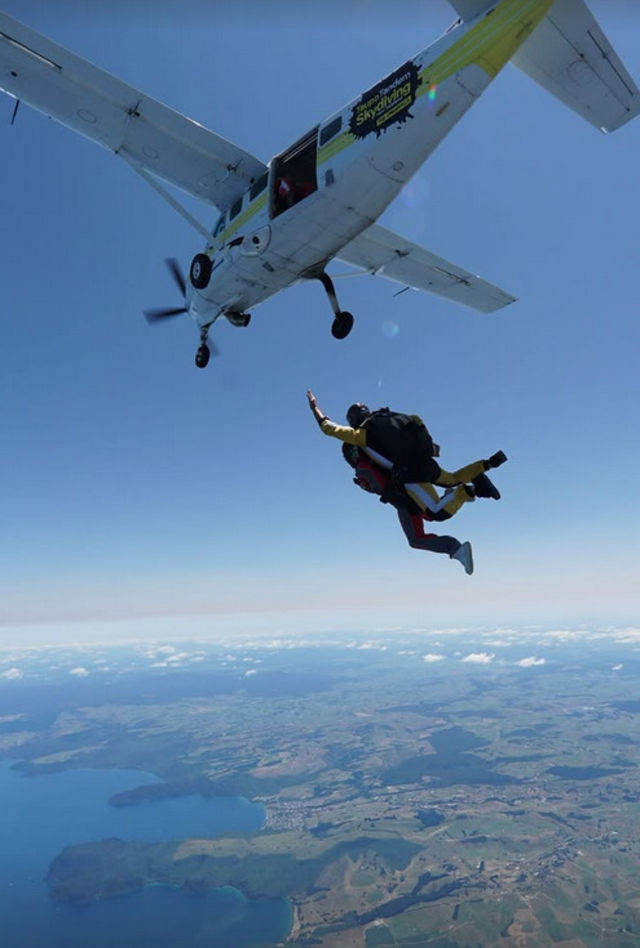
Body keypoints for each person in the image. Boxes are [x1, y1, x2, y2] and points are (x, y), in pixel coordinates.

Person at [306, 390, 507, 492]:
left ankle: (468, 492)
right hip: (424, 458)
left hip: (410, 471)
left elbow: (328, 428)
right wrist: (430, 447)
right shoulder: (390, 418)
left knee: (434, 513)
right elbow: (416, 420)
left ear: (353, 420)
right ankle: (488, 464)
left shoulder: (362, 435)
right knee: (452, 479)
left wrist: (314, 407)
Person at [342, 442, 475, 574]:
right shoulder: (376, 455)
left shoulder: (363, 467)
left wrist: (367, 485)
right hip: (408, 489)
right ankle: (455, 496)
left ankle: (456, 547)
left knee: (416, 538)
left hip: (403, 499)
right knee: (430, 515)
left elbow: (383, 487)